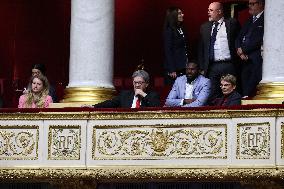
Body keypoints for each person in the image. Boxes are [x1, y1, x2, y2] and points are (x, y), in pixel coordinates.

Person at [198, 2, 240, 100]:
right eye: (208, 10)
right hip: (212, 66)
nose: (208, 12)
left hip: (229, 64)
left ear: (219, 11)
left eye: (211, 10)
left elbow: (239, 39)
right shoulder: (204, 27)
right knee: (212, 93)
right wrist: (202, 66)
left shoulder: (231, 23)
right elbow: (201, 49)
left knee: (231, 92)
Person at [235, 0, 265, 98]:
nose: (249, 6)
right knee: (245, 87)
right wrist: (240, 51)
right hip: (244, 59)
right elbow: (238, 38)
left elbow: (259, 39)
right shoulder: (249, 20)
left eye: (252, 4)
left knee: (253, 87)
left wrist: (243, 50)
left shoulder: (267, 18)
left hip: (256, 59)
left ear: (260, 4)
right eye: (249, 4)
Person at [92, 70, 160, 108]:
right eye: (135, 82)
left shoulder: (153, 95)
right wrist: (93, 106)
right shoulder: (124, 95)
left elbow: (156, 107)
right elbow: (110, 103)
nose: (137, 85)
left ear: (146, 84)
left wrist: (143, 94)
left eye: (140, 83)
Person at [163, 6, 189, 85]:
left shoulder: (181, 28)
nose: (182, 15)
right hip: (174, 69)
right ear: (173, 16)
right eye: (180, 13)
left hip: (183, 67)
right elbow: (168, 50)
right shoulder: (169, 30)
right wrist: (172, 69)